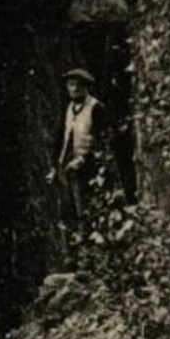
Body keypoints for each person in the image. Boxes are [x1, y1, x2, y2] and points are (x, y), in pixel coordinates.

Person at [47, 67, 109, 224]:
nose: (74, 89)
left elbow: (102, 140)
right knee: (65, 208)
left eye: (78, 85)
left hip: (87, 166)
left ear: (86, 87)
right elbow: (61, 136)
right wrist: (54, 166)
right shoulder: (68, 108)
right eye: (71, 85)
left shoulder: (96, 108)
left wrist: (83, 159)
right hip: (66, 163)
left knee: (85, 206)